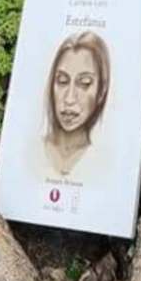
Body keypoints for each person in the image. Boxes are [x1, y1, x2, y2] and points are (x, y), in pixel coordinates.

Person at [42, 31, 111, 176]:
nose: (69, 98)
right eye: (62, 81)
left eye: (84, 83)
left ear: (101, 91)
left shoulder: (106, 164)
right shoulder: (30, 150)